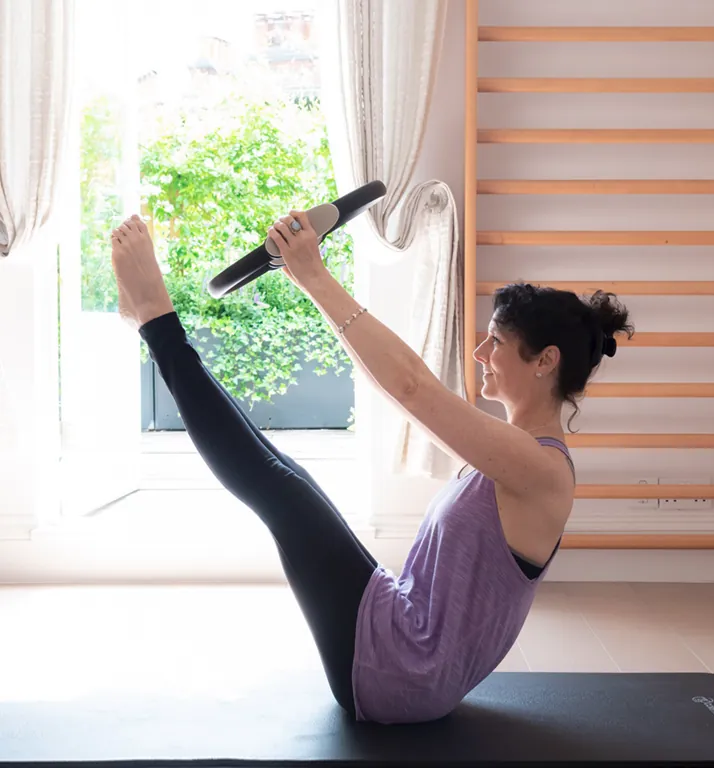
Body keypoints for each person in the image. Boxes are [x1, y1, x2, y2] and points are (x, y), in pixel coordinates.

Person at [110, 211, 633, 725]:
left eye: (495, 342)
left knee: (280, 490)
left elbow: (413, 386)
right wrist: (306, 280)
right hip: (400, 638)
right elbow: (400, 387)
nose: (479, 352)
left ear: (545, 361)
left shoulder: (539, 470)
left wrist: (315, 273)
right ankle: (153, 325)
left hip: (402, 669)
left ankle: (156, 319)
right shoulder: (513, 456)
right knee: (286, 478)